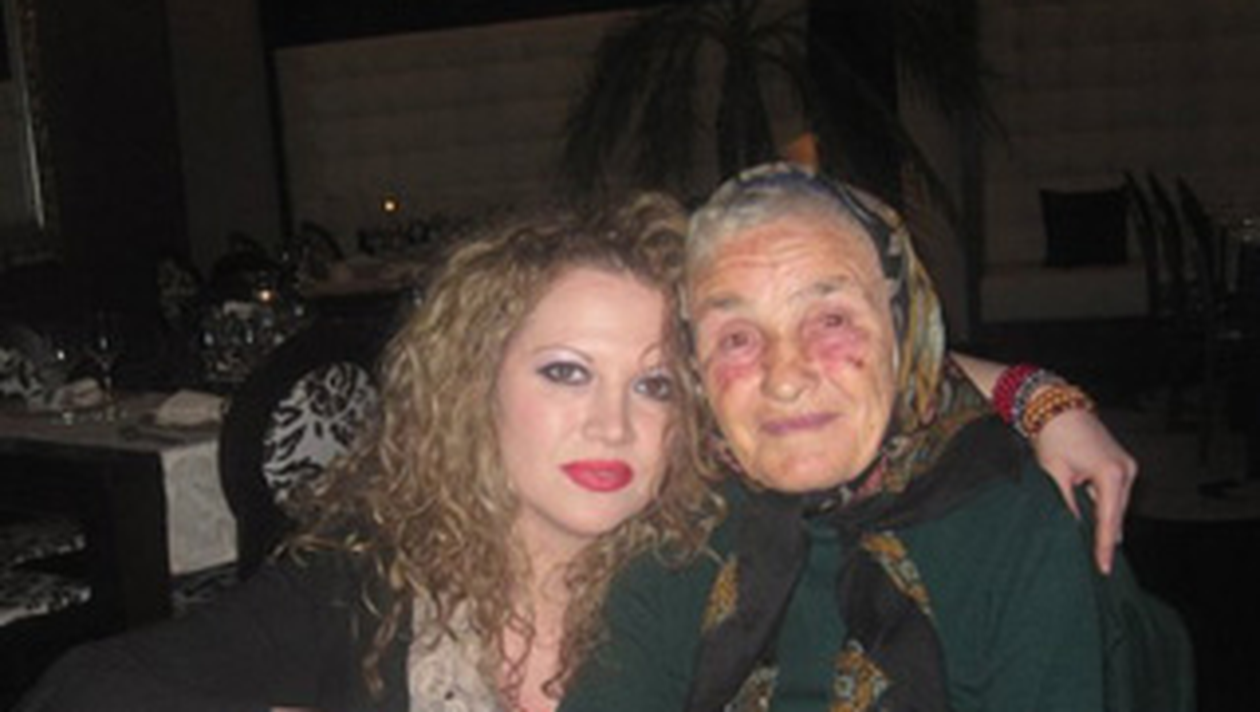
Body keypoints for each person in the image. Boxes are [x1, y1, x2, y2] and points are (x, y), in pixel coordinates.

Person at [19, 192, 1137, 712]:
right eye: (564, 372)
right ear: (474, 388)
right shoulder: (379, 585)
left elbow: (815, 351)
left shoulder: (717, 560)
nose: (613, 425)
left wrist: (1033, 393)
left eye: (653, 383)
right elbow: (90, 692)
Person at [558, 164, 1182, 712]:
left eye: (830, 320)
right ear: (697, 369)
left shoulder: (1015, 522)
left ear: (905, 332)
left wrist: (1038, 397)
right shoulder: (684, 534)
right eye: (738, 338)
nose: (785, 378)